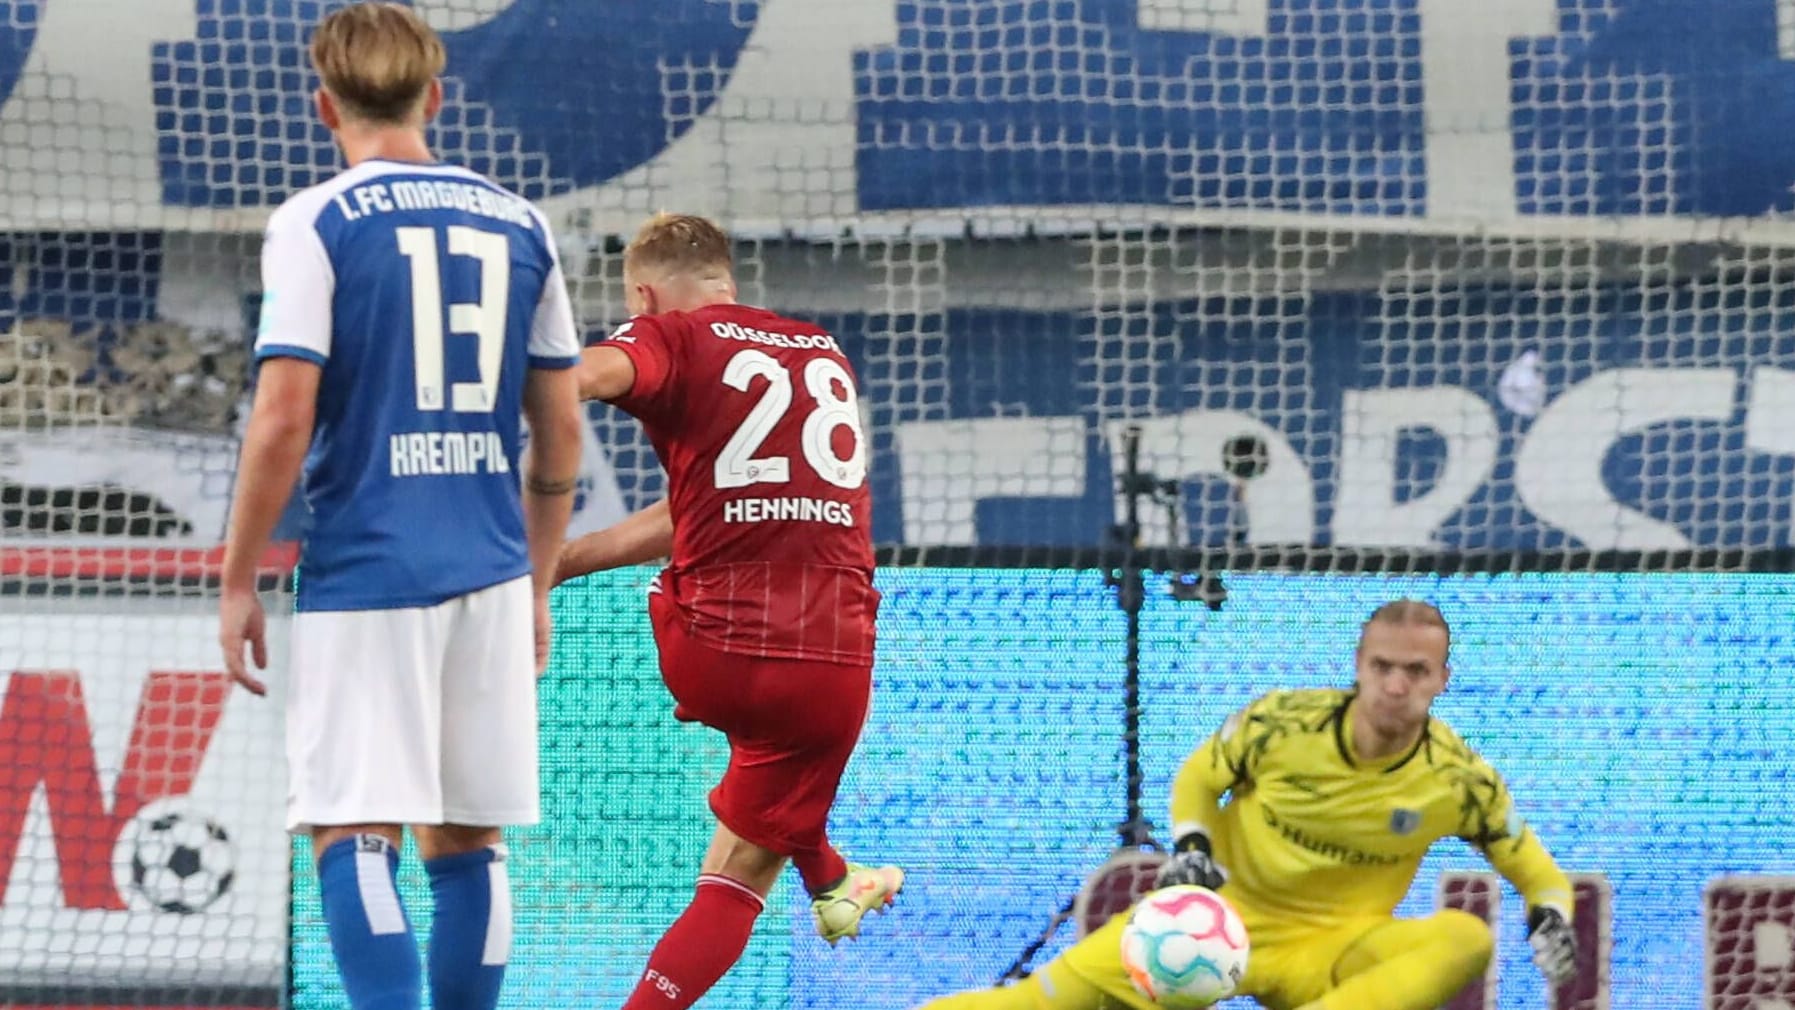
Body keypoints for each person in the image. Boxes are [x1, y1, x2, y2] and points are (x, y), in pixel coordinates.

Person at [215, 5, 584, 1009]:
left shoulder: (316, 219)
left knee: (352, 822)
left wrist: (238, 573)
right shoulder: (522, 222)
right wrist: (535, 582)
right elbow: (560, 436)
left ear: (322, 105)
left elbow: (284, 416)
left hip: (368, 566)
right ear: (435, 95)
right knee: (468, 835)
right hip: (493, 569)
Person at [561, 211, 903, 1010]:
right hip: (834, 666)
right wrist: (564, 562)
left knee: (745, 852)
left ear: (644, 295)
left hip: (713, 646)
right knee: (746, 866)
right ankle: (828, 873)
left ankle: (831, 877)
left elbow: (580, 377)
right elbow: (713, 501)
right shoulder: (821, 350)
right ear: (729, 281)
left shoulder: (669, 336)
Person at [918, 599, 1580, 1010]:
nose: (1395, 684)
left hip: (1333, 953)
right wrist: (1192, 845)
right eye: (1382, 666)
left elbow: (1536, 871)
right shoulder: (1281, 725)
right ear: (1358, 665)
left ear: (1441, 680)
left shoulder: (1459, 778)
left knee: (1463, 938)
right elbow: (1198, 777)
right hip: (1211, 924)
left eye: (1415, 671)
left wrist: (1550, 915)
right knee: (1040, 1002)